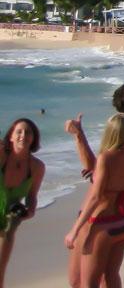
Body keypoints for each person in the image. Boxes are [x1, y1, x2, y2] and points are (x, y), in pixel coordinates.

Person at [65, 114, 124, 288]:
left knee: (82, 282)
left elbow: (96, 197)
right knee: (110, 277)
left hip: (99, 224)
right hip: (122, 223)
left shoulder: (106, 158)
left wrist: (74, 230)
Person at [0, 118, 45, 288]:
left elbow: (32, 196)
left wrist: (31, 210)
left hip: (9, 222)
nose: (23, 135)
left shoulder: (37, 167)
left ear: (34, 138)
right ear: (10, 136)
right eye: (19, 131)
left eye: (28, 132)